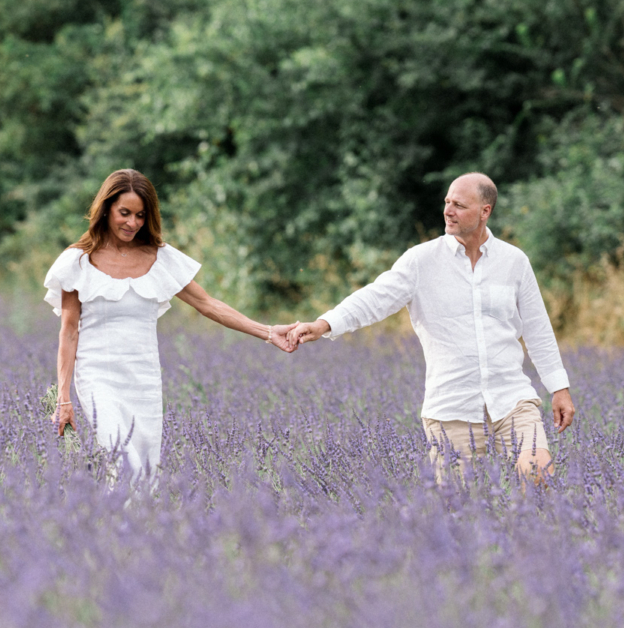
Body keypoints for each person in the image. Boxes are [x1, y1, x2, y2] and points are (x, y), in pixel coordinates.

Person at [289, 173, 574, 482]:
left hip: (512, 399)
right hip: (451, 408)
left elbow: (537, 328)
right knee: (459, 509)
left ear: (485, 211)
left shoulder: (514, 261)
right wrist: (324, 324)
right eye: (447, 203)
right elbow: (375, 298)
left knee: (538, 474)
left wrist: (559, 388)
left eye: (459, 205)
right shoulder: (421, 261)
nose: (448, 211)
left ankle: (526, 528)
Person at [46, 169, 296, 478]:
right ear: (106, 208)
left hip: (143, 379)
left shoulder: (160, 258)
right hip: (98, 376)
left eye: (140, 215)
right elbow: (69, 332)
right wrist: (63, 398)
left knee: (146, 472)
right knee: (124, 463)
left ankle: (124, 525)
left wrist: (268, 332)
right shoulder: (78, 261)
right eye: (124, 213)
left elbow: (208, 304)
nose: (132, 223)